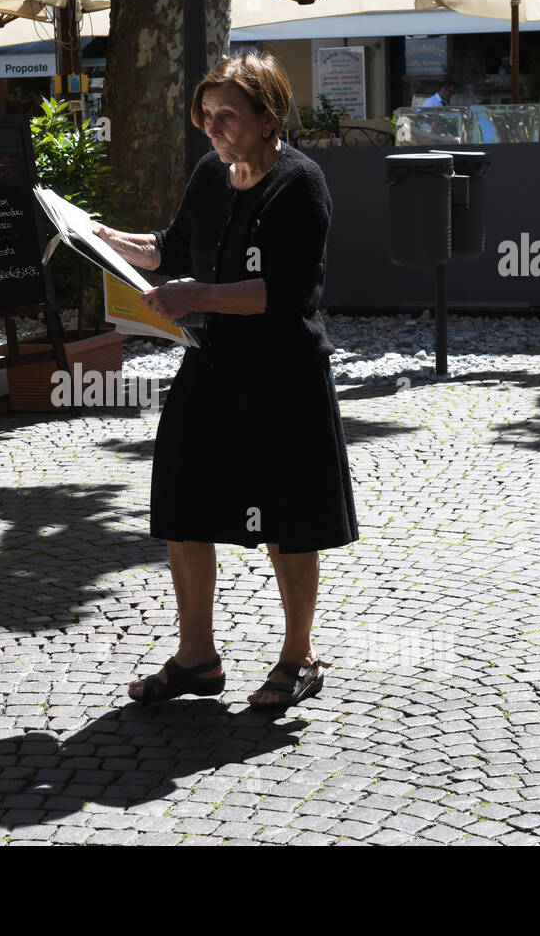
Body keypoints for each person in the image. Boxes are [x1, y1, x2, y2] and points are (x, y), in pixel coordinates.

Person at [91, 49, 359, 709]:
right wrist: (106, 240)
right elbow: (172, 245)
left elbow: (289, 292)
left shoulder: (301, 182)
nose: (212, 129)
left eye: (227, 116)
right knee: (182, 505)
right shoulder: (212, 173)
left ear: (269, 117)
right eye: (206, 116)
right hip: (210, 368)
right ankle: (197, 658)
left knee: (288, 519)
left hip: (283, 373)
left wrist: (196, 297)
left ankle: (298, 657)